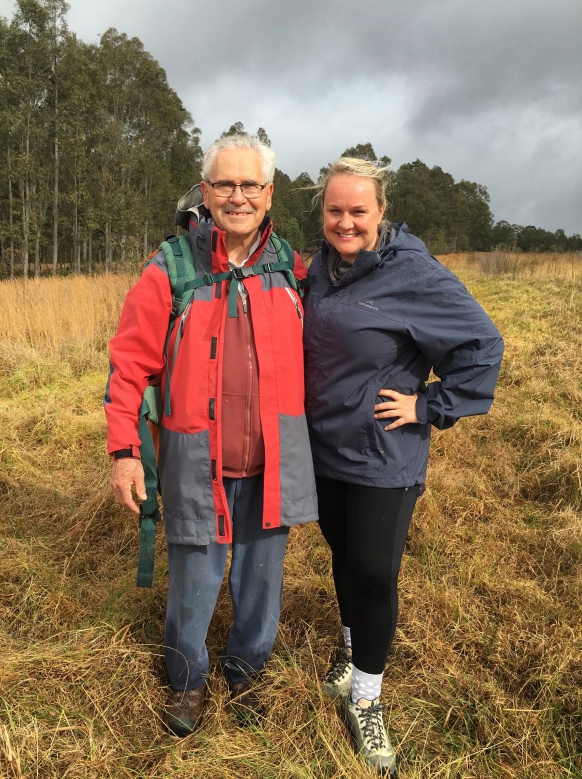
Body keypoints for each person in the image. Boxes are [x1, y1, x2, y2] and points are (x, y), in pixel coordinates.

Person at [104, 134, 317, 736]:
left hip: (274, 457)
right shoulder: (170, 267)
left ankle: (247, 675)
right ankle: (187, 680)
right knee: (193, 582)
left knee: (262, 581)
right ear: (206, 192)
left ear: (269, 194)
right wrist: (125, 452)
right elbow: (129, 365)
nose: (238, 196)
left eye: (251, 185)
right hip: (196, 460)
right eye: (225, 184)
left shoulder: (294, 269)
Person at [303, 157, 504, 774]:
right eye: (335, 210)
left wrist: (428, 404)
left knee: (372, 567)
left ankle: (366, 697)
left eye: (358, 211)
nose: (345, 222)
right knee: (341, 553)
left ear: (381, 212)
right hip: (325, 446)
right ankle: (349, 648)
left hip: (384, 454)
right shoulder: (320, 268)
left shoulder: (413, 272)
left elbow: (482, 345)